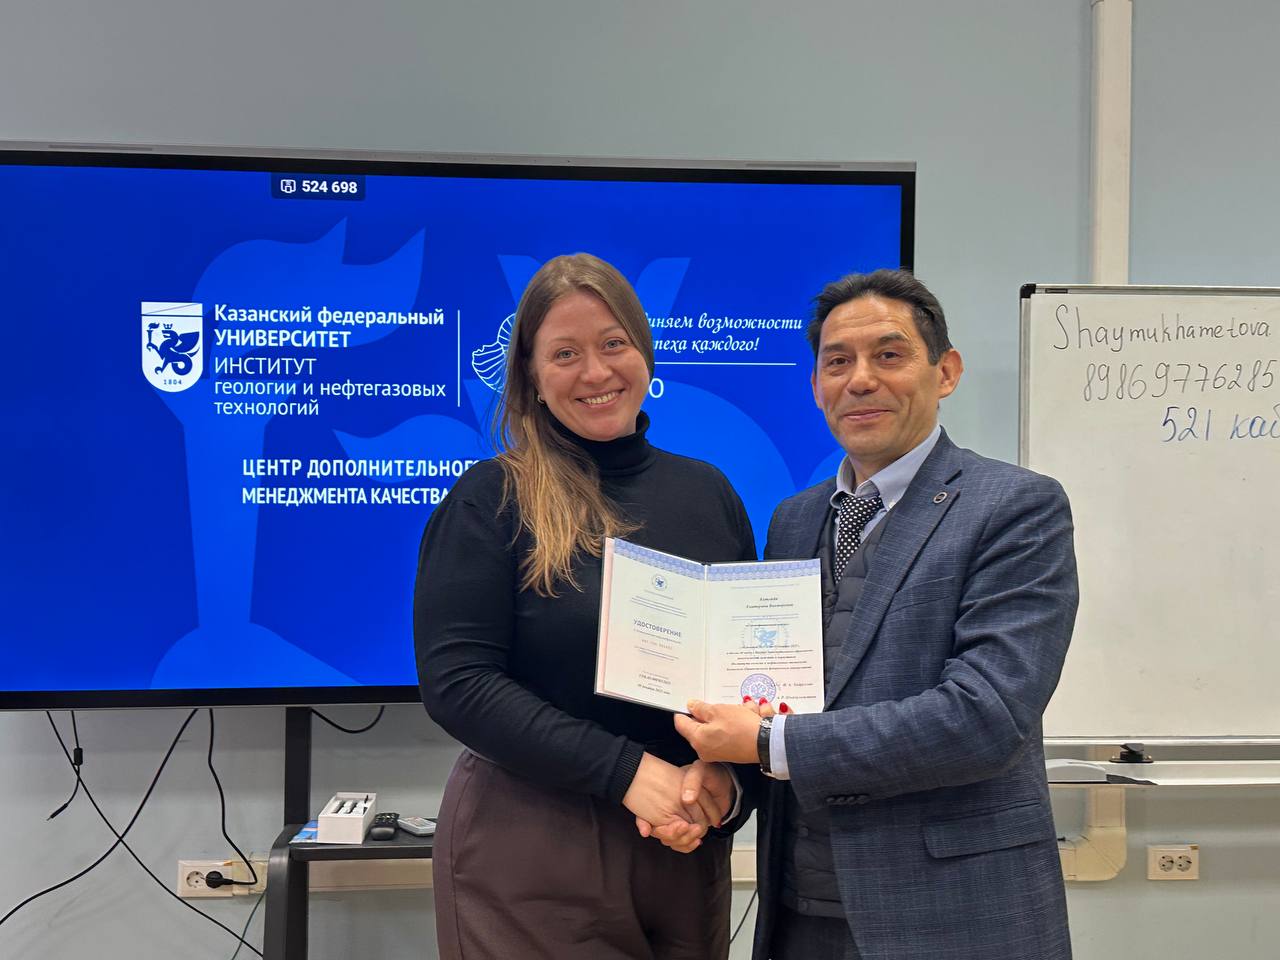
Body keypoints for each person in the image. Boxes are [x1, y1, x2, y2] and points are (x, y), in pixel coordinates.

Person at [673, 269, 1079, 960]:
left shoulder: (1016, 508)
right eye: (838, 363)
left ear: (945, 372)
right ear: (816, 386)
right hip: (799, 910)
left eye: (889, 355)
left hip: (953, 919)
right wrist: (724, 777)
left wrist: (767, 744)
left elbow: (985, 718)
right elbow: (778, 695)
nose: (860, 380)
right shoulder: (795, 519)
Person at [414, 253, 755, 960]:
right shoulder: (490, 498)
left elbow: (743, 676)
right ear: (532, 378)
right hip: (534, 845)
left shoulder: (710, 493)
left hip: (685, 843)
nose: (596, 372)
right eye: (565, 353)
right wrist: (627, 772)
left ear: (644, 353)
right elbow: (458, 683)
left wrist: (728, 786)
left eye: (613, 343)